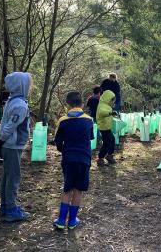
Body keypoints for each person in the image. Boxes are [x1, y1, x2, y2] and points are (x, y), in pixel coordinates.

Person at [0, 72, 31, 222]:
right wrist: (0, 143)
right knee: (13, 177)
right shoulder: (19, 104)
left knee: (7, 175)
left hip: (9, 144)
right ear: (21, 85)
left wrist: (0, 142)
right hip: (12, 145)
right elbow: (9, 126)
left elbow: (6, 125)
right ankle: (10, 209)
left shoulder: (13, 100)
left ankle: (6, 206)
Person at [53, 91, 94, 230]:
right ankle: (72, 221)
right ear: (82, 104)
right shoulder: (89, 120)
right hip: (84, 159)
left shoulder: (62, 120)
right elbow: (90, 138)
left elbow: (58, 143)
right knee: (78, 190)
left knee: (67, 188)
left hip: (68, 159)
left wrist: (64, 150)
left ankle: (60, 220)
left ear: (68, 105)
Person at [96, 90, 117, 167]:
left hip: (108, 127)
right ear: (107, 98)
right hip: (103, 127)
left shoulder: (107, 105)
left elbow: (108, 113)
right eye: (112, 100)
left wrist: (112, 112)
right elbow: (102, 113)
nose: (112, 102)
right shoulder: (101, 105)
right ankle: (100, 158)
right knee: (106, 143)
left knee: (112, 140)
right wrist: (110, 113)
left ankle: (109, 155)